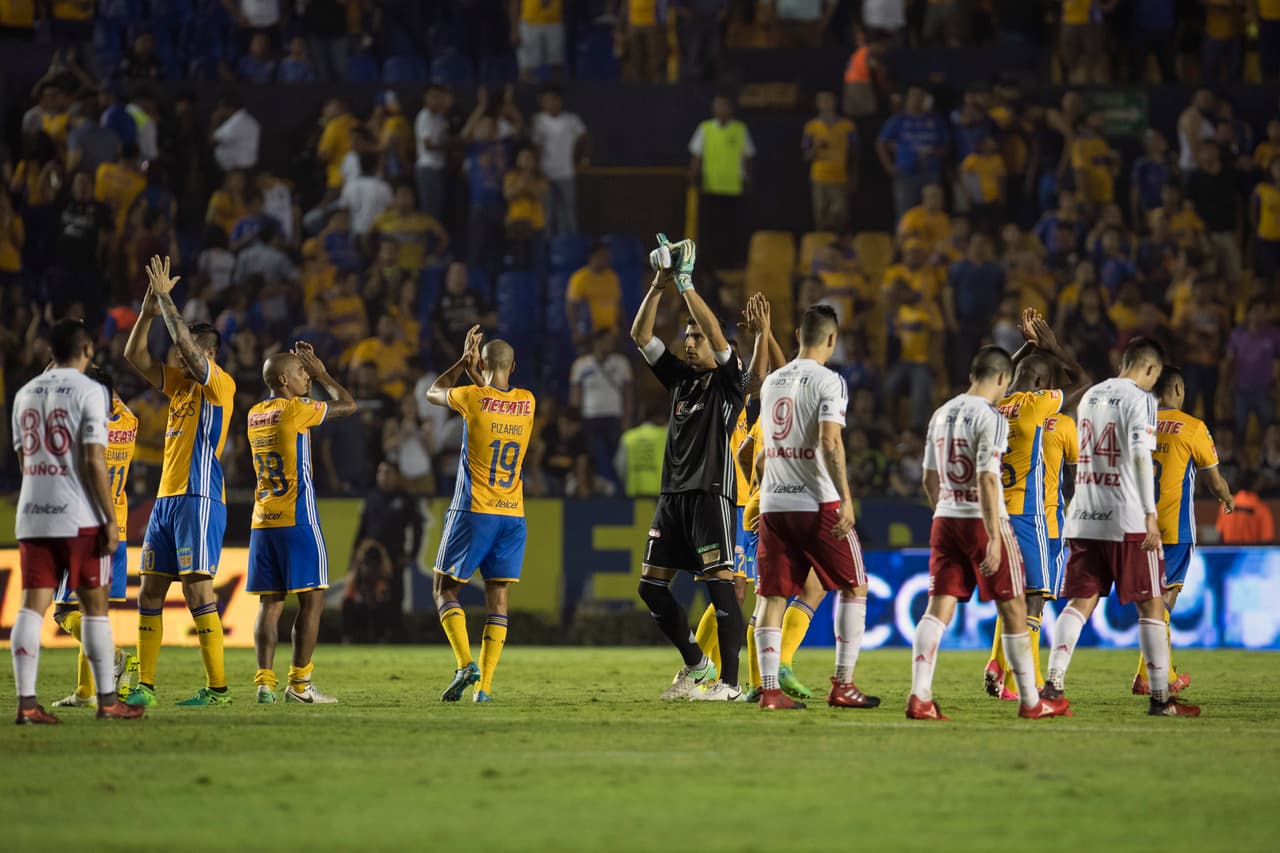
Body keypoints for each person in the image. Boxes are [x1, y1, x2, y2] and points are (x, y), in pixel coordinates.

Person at [630, 235, 766, 701]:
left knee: (720, 585)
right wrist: (660, 284)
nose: (689, 343)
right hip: (673, 495)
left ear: (718, 345)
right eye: (687, 336)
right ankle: (697, 663)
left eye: (698, 338)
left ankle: (729, 684)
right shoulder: (681, 380)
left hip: (712, 492)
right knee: (651, 588)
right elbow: (640, 337)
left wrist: (687, 284)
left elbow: (720, 339)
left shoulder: (731, 381)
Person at [908, 346, 1071, 721]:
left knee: (938, 609)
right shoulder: (991, 417)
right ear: (1001, 379)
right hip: (982, 519)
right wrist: (995, 535)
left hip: (945, 517)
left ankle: (920, 696)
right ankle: (1032, 702)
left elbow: (928, 477)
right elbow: (985, 477)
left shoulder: (941, 413)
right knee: (1015, 607)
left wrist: (941, 512)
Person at [1045, 337, 1200, 716]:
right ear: (1150, 369)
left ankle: (1052, 685)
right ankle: (1161, 699)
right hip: (1126, 517)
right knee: (1151, 605)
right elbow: (1141, 458)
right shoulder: (1141, 400)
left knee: (1079, 603)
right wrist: (1149, 513)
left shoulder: (1090, 396)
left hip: (1083, 513)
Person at [10, 319, 145, 723]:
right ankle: (107, 700)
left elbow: (22, 460)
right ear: (86, 350)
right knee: (93, 611)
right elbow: (91, 459)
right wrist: (108, 518)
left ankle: (27, 705)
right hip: (79, 516)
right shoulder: (90, 393)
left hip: (33, 511)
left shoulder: (24, 394)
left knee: (31, 610)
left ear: (49, 352)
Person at [753, 305, 880, 711]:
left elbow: (762, 450)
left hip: (774, 501)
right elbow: (829, 442)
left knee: (771, 597)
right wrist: (845, 497)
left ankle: (770, 690)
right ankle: (842, 684)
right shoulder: (831, 381)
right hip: (815, 501)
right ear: (832, 339)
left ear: (797, 335)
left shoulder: (771, 381)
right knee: (854, 585)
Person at [123, 256, 235, 707]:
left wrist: (168, 299)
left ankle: (218, 689)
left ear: (206, 355)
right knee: (149, 589)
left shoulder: (218, 384)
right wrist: (149, 310)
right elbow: (134, 356)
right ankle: (145, 685)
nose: (175, 358)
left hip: (200, 495)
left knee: (196, 588)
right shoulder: (179, 387)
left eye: (186, 352)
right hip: (167, 499)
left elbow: (185, 346)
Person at [426, 326, 535, 703]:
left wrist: (461, 363)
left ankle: (463, 664)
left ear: (482, 363)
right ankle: (485, 688)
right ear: (513, 366)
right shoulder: (528, 401)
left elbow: (432, 392)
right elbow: (496, 398)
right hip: (513, 514)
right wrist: (480, 371)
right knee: (498, 598)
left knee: (443, 588)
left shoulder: (472, 396)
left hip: (474, 509)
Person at [247, 342, 358, 704]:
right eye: (300, 372)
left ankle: (264, 682)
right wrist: (325, 373)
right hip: (298, 520)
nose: (306, 376)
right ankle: (299, 685)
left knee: (270, 604)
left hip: (263, 521)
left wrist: (310, 373)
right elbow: (348, 404)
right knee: (313, 602)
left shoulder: (254, 414)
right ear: (283, 380)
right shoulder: (296, 410)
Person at [984, 310, 1087, 700]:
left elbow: (993, 377)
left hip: (994, 512)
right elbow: (1085, 383)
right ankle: (1034, 681)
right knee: (1035, 600)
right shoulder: (1050, 415)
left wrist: (1028, 347)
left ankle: (1000, 668)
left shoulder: (994, 405)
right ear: (1044, 385)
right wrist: (1054, 348)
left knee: (1011, 595)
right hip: (1039, 517)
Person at [1130, 366, 1234, 696]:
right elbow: (1214, 480)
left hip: (1136, 526)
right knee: (1164, 603)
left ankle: (1146, 674)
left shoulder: (1136, 424)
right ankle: (1161, 676)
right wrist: (1227, 497)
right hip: (1173, 530)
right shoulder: (1192, 427)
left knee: (1150, 603)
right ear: (1177, 389)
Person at [51, 367, 139, 709]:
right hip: (116, 527)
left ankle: (114, 657)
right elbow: (114, 399)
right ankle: (86, 691)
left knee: (64, 611)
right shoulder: (128, 423)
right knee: (92, 613)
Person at [689, 96, 755, 271]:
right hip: (711, 188)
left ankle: (730, 263)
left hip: (733, 189)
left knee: (731, 229)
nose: (720, 109)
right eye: (717, 106)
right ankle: (710, 263)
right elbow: (697, 155)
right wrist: (694, 177)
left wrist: (748, 180)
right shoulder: (705, 128)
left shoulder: (740, 129)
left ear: (731, 109)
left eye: (724, 106)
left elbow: (748, 157)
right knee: (711, 229)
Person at [570, 330, 632, 489]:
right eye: (606, 341)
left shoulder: (621, 363)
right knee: (598, 455)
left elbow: (628, 394)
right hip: (590, 417)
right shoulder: (581, 365)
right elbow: (575, 395)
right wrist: (575, 419)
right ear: (596, 343)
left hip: (613, 416)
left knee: (614, 456)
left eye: (612, 342)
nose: (610, 345)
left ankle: (612, 486)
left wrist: (626, 418)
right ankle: (614, 487)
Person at [531, 87, 589, 237]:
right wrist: (536, 171)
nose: (548, 103)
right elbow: (535, 147)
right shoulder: (538, 121)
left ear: (559, 101)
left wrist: (582, 158)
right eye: (545, 100)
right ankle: (548, 250)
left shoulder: (571, 120)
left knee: (568, 214)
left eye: (551, 99)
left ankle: (570, 248)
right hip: (545, 174)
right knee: (547, 214)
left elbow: (585, 138)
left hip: (566, 173)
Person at [802, 91, 858, 231]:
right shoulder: (811, 127)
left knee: (840, 217)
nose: (826, 104)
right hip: (819, 178)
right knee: (820, 217)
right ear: (818, 104)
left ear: (835, 102)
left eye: (829, 100)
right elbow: (806, 156)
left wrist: (853, 175)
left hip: (840, 177)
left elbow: (855, 153)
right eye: (822, 101)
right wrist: (815, 147)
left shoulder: (848, 126)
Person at [614, 406, 666, 498]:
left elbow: (619, 465)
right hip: (659, 493)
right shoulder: (665, 435)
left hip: (634, 492)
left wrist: (627, 482)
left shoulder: (628, 436)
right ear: (658, 417)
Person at [1216, 473, 1274, 543]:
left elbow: (1219, 534)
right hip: (1253, 553)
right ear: (1256, 485)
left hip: (1229, 552)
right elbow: (1267, 541)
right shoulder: (1262, 510)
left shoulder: (1225, 506)